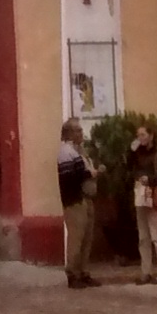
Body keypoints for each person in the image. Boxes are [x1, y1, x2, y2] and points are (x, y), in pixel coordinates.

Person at [58, 120, 99, 288]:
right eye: (78, 131)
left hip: (86, 199)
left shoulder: (79, 151)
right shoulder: (66, 153)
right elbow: (70, 178)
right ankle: (72, 274)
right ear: (69, 133)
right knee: (76, 238)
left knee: (86, 238)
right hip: (74, 200)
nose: (81, 133)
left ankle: (83, 271)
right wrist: (89, 173)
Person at [130, 123, 157, 284]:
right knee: (143, 236)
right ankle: (145, 271)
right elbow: (129, 168)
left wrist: (150, 179)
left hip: (153, 196)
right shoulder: (137, 153)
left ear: (151, 136)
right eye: (138, 135)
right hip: (140, 196)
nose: (140, 138)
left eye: (143, 135)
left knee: (156, 235)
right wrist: (130, 151)